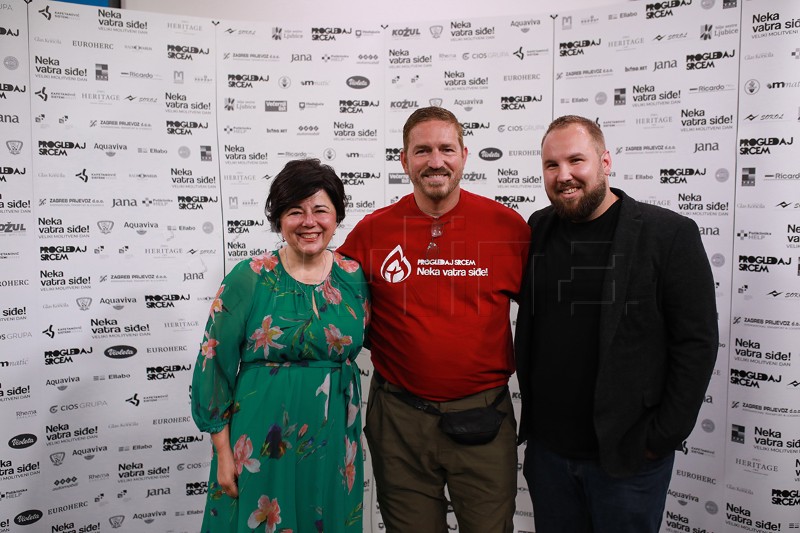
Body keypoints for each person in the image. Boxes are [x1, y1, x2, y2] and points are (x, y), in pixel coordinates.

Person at [514, 115, 718, 533]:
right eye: (551, 165)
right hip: (548, 455)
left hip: (628, 460)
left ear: (605, 161)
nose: (564, 175)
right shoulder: (537, 228)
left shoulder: (668, 234)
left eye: (576, 160)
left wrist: (660, 438)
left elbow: (696, 343)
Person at [338, 106, 530, 532]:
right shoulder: (373, 231)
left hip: (483, 417)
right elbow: (334, 302)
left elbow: (547, 319)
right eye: (422, 150)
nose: (436, 161)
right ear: (404, 160)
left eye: (446, 149)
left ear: (464, 155)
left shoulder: (507, 227)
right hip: (399, 420)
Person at [191, 159, 370, 533]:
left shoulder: (353, 277)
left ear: (336, 216)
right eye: (295, 211)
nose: (309, 222)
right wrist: (223, 453)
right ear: (278, 220)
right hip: (262, 441)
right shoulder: (250, 277)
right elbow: (214, 367)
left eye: (320, 209)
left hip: (336, 437)